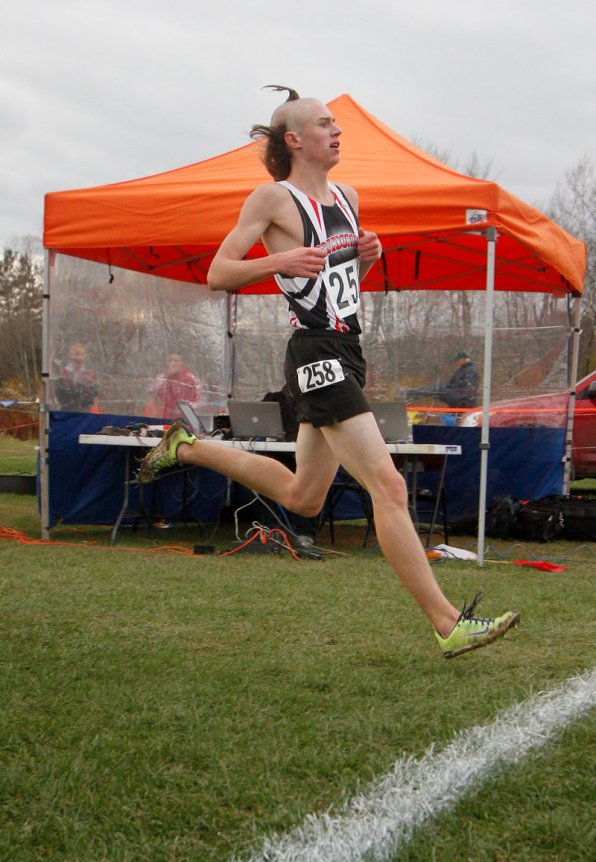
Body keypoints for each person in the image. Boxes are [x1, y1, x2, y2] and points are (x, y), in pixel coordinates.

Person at [139, 86, 519, 657]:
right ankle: (447, 623)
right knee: (387, 485)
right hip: (313, 352)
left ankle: (187, 448)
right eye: (324, 124)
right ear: (293, 140)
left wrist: (363, 261)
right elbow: (219, 272)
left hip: (348, 349)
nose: (337, 131)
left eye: (336, 123)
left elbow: (335, 287)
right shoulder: (272, 199)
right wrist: (278, 261)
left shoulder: (348, 196)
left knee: (304, 497)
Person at [146, 352, 202, 420]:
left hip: (186, 419)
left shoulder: (191, 379)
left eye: (176, 361)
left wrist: (186, 408)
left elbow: (200, 401)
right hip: (166, 418)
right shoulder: (161, 378)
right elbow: (152, 395)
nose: (173, 363)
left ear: (181, 362)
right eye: (170, 361)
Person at [56, 342, 97, 411]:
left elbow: (93, 394)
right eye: (76, 355)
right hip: (68, 410)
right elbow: (61, 395)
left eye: (81, 355)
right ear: (70, 356)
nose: (78, 358)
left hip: (84, 410)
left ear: (85, 356)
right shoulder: (64, 372)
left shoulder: (89, 372)